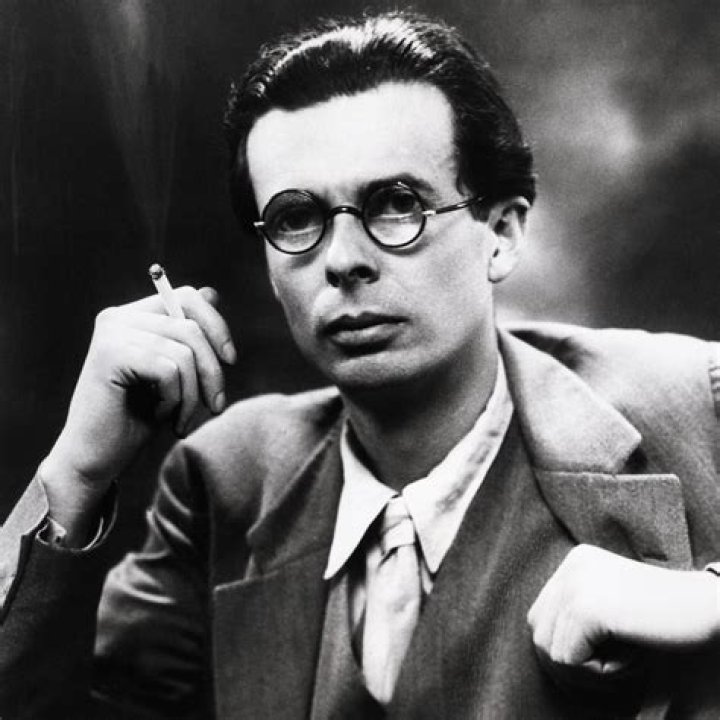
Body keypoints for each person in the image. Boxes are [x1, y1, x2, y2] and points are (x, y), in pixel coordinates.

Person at [1, 10, 719, 719]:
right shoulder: (224, 481)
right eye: (295, 218)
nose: (343, 260)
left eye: (397, 204)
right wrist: (77, 473)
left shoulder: (696, 403)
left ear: (500, 234)